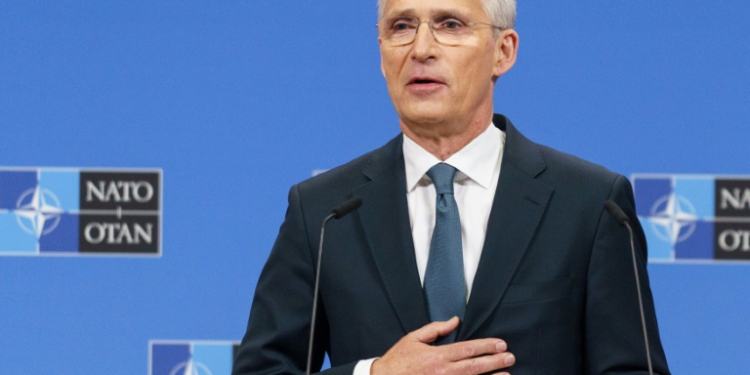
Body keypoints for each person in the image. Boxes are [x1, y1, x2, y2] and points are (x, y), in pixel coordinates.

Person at [233, 0, 671, 374]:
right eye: (401, 26)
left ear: (503, 51)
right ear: (381, 51)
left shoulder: (591, 204)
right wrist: (377, 373)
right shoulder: (324, 213)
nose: (421, 49)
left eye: (450, 25)